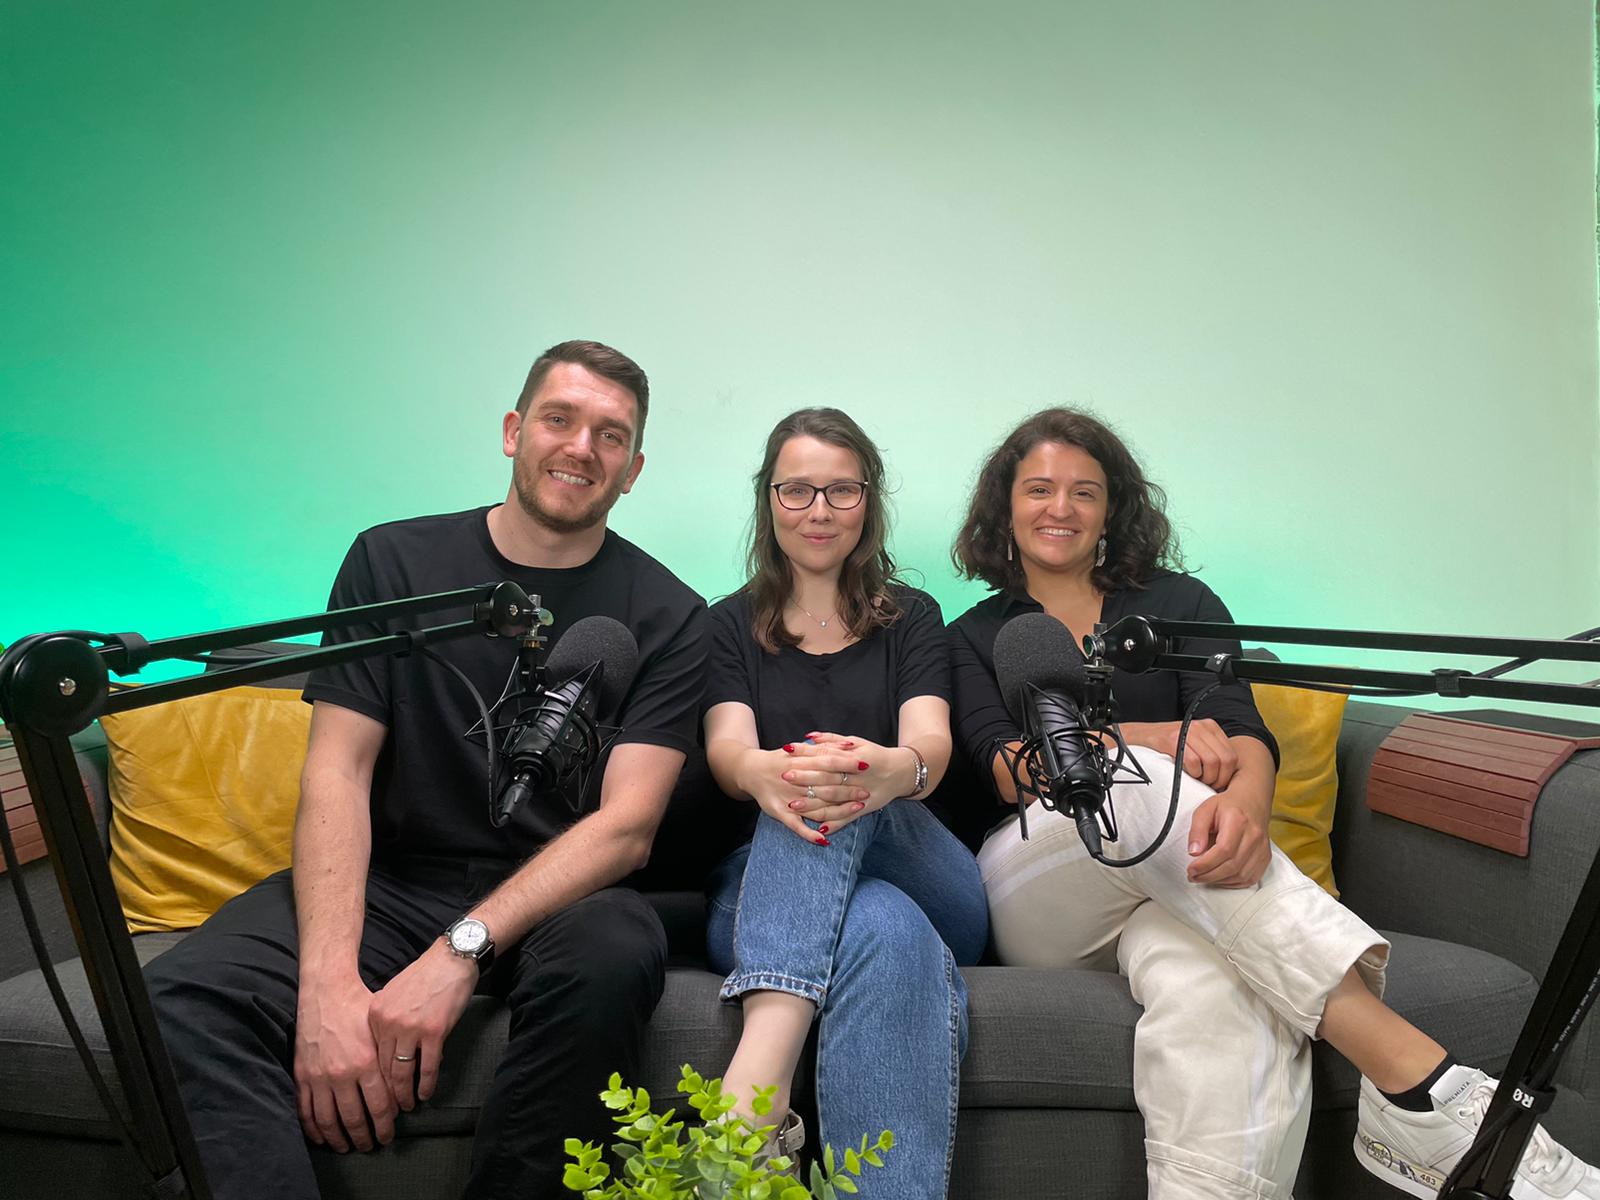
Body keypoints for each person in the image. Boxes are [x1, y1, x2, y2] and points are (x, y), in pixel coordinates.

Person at [947, 407, 1599, 1200]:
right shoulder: (976, 634)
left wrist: (1250, 808)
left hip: (1183, 878)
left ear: (1112, 508)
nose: (1061, 508)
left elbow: (1244, 733)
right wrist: (1149, 739)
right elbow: (1011, 769)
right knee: (1136, 776)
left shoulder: (1178, 605)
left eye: (1084, 492)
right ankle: (1421, 1085)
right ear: (1004, 509)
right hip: (1042, 886)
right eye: (1039, 489)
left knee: (1213, 983)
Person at [144, 340, 710, 1199]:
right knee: (187, 993)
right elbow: (337, 770)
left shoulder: (671, 613)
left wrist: (460, 954)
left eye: (610, 435)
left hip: (560, 896)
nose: (581, 447)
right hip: (394, 882)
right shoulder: (393, 565)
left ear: (632, 470)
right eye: (560, 419)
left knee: (614, 954)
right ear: (515, 431)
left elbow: (626, 829)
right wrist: (329, 985)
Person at [701, 407, 988, 1198]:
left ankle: (757, 1080)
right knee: (881, 924)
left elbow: (928, 742)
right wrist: (762, 772)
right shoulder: (725, 624)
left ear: (869, 501)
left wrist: (891, 770)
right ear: (769, 500)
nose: (819, 511)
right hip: (761, 885)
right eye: (797, 491)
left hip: (922, 860)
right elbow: (729, 749)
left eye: (840, 491)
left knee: (829, 778)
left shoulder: (912, 618)